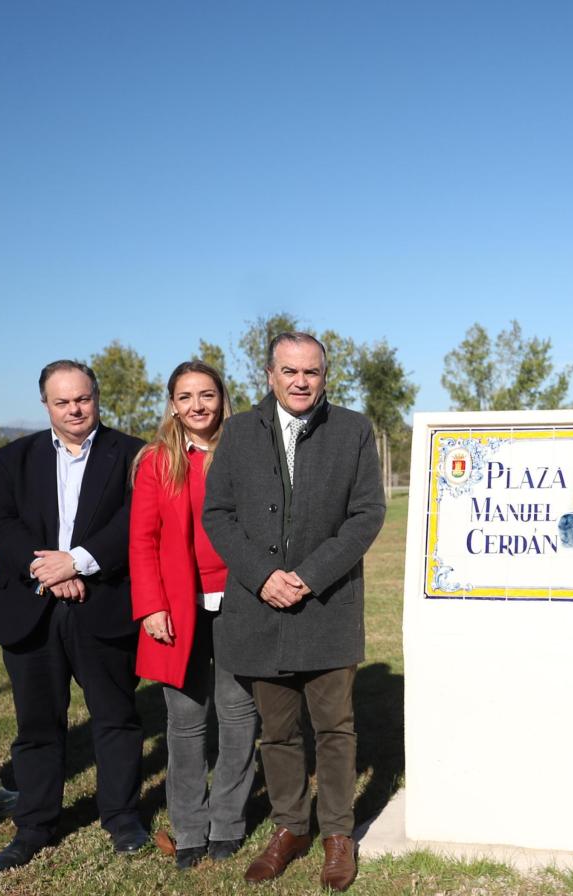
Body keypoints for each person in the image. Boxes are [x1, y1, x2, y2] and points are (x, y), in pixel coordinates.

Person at [203, 332, 386, 892]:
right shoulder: (236, 433)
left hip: (326, 605)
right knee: (277, 732)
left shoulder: (353, 430)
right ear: (269, 375)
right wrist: (262, 577)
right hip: (259, 609)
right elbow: (218, 515)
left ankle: (336, 834)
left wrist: (308, 576)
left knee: (335, 728)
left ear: (325, 376)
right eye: (290, 371)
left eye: (311, 372)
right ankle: (290, 827)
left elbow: (366, 514)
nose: (301, 381)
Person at [0, 360, 149, 871]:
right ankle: (34, 826)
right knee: (36, 725)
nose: (75, 409)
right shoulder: (12, 459)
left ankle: (121, 818)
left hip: (104, 604)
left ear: (96, 397)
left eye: (83, 399)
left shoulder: (133, 455)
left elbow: (136, 519)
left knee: (117, 718)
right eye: (62, 401)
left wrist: (78, 561)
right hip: (30, 607)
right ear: (45, 405)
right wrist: (50, 568)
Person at [129, 361, 258, 869]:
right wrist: (152, 606)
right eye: (186, 397)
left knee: (238, 712)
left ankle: (228, 822)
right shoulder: (157, 461)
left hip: (241, 598)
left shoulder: (247, 452)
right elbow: (142, 540)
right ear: (173, 404)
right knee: (184, 722)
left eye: (207, 395)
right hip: (177, 605)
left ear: (223, 399)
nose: (197, 406)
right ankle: (188, 829)